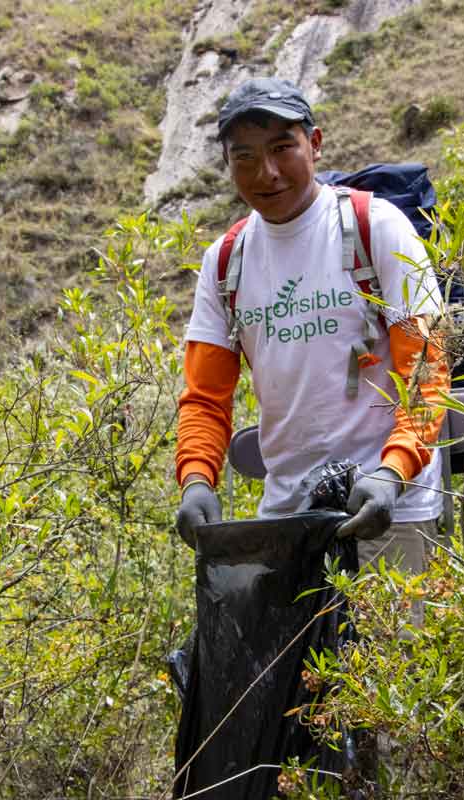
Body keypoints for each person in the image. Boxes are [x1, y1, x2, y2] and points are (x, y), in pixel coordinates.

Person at [174, 77, 448, 575]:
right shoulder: (225, 262)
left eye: (283, 148)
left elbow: (424, 373)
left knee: (395, 653)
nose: (268, 172)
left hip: (392, 512)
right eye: (246, 157)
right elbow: (205, 398)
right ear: (228, 163)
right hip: (286, 518)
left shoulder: (377, 228)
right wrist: (196, 480)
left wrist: (392, 473)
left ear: (314, 144)